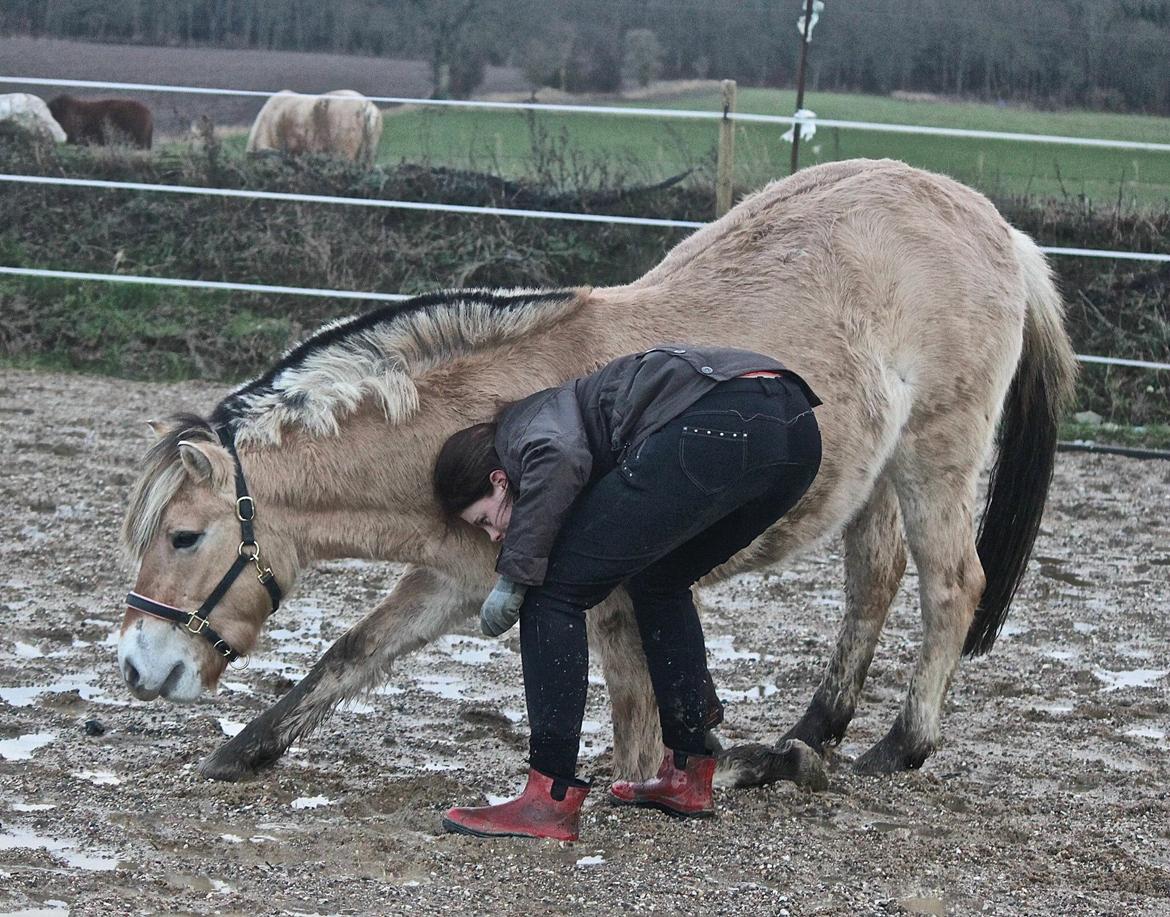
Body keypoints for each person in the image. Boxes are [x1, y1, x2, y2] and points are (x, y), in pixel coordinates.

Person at [433, 345, 822, 841]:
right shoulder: (556, 415)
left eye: (486, 520)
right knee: (659, 580)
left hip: (724, 417)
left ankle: (547, 800)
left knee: (550, 592)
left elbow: (562, 455)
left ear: (499, 478)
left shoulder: (525, 430)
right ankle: (688, 774)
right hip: (793, 429)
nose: (493, 535)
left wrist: (514, 575)